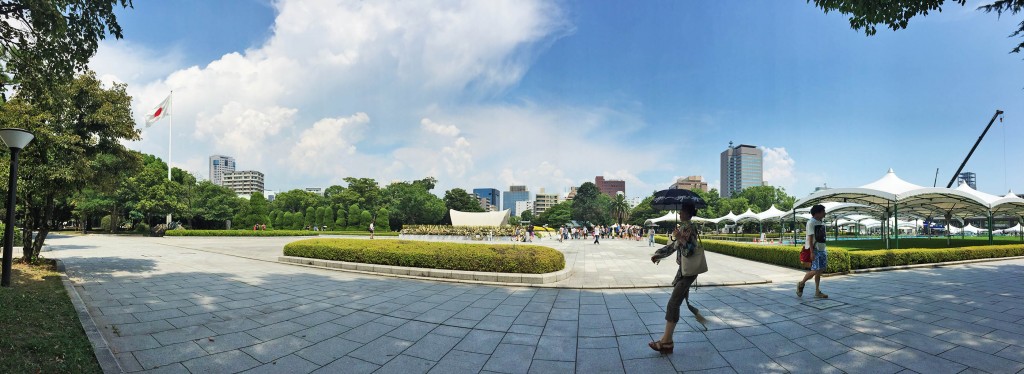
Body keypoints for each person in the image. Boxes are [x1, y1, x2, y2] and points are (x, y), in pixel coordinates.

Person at [648, 201, 708, 354]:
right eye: (680, 211)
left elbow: (689, 251)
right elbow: (674, 246)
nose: (679, 214)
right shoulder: (682, 228)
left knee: (673, 303)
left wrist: (680, 237)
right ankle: (667, 342)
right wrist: (659, 254)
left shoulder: (691, 228)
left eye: (682, 211)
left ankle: (666, 341)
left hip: (688, 272)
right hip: (683, 271)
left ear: (688, 213)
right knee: (674, 304)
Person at [798, 204, 829, 298]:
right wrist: (811, 252)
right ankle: (801, 283)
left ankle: (817, 291)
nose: (825, 213)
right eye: (823, 211)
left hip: (822, 249)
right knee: (815, 270)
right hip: (815, 250)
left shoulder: (822, 222)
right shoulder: (811, 222)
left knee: (820, 270)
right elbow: (810, 238)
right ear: (817, 213)